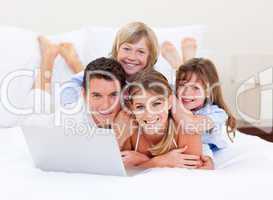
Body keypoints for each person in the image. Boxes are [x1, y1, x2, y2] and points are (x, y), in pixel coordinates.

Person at [118, 70, 214, 169]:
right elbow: (124, 173)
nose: (149, 115)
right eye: (140, 107)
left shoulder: (187, 130)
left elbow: (193, 175)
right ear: (131, 107)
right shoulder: (129, 129)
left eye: (156, 104)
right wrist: (158, 162)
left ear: (170, 102)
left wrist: (145, 163)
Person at [175, 58, 237, 158]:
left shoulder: (217, 113)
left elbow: (192, 125)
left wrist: (174, 102)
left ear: (208, 91)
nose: (186, 93)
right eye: (182, 85)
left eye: (195, 88)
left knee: (203, 152)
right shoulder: (175, 102)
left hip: (205, 145)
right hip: (179, 143)